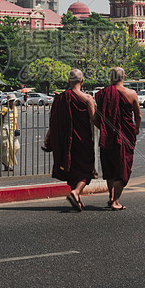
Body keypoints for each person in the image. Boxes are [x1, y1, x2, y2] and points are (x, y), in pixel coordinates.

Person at [44, 69, 96, 211]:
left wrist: (49, 136)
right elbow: (94, 119)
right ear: (82, 81)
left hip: (65, 141)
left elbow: (54, 121)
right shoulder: (87, 98)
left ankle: (77, 199)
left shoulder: (61, 98)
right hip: (82, 140)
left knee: (71, 167)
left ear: (69, 81)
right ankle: (76, 192)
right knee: (86, 168)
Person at [93, 67, 140, 211]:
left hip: (107, 137)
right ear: (124, 77)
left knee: (110, 169)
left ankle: (110, 197)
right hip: (124, 136)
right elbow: (138, 115)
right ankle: (115, 201)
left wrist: (103, 128)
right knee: (122, 169)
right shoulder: (131, 94)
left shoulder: (101, 94)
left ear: (111, 78)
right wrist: (136, 128)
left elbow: (97, 117)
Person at [0, 94, 21, 171]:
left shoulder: (15, 109)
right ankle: (6, 165)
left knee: (16, 146)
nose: (14, 102)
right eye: (12, 101)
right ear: (9, 102)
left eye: (14, 101)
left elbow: (15, 120)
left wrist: (17, 128)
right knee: (6, 147)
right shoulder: (4, 109)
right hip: (5, 129)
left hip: (12, 130)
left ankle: (6, 161)